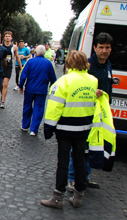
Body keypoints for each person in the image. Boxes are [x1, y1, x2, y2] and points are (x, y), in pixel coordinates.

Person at [41, 50, 97, 209]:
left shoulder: (63, 81)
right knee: (80, 161)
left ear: (69, 63)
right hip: (84, 128)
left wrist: (49, 128)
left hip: (65, 129)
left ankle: (58, 197)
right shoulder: (93, 81)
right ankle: (79, 196)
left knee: (63, 163)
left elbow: (54, 107)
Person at [67, 32, 113, 192]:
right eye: (101, 47)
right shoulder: (88, 64)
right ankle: (72, 178)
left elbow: (109, 87)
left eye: (107, 47)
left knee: (93, 146)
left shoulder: (108, 65)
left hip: (99, 113)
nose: (104, 51)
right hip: (85, 111)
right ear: (95, 48)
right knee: (79, 147)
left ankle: (85, 177)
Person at [18, 45, 56, 136]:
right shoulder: (48, 63)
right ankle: (34, 129)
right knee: (38, 109)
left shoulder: (30, 62)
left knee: (27, 107)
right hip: (42, 90)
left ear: (36, 52)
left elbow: (23, 74)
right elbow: (53, 78)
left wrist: (20, 85)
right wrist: (52, 87)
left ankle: (25, 125)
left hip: (30, 89)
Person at [0, 30, 19, 109]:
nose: (7, 38)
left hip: (9, 66)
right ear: (4, 38)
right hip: (0, 66)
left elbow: (17, 57)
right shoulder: (1, 46)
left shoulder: (14, 47)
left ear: (11, 38)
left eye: (9, 36)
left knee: (5, 84)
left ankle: (3, 101)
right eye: (6, 36)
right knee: (1, 84)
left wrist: (21, 67)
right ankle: (1, 97)